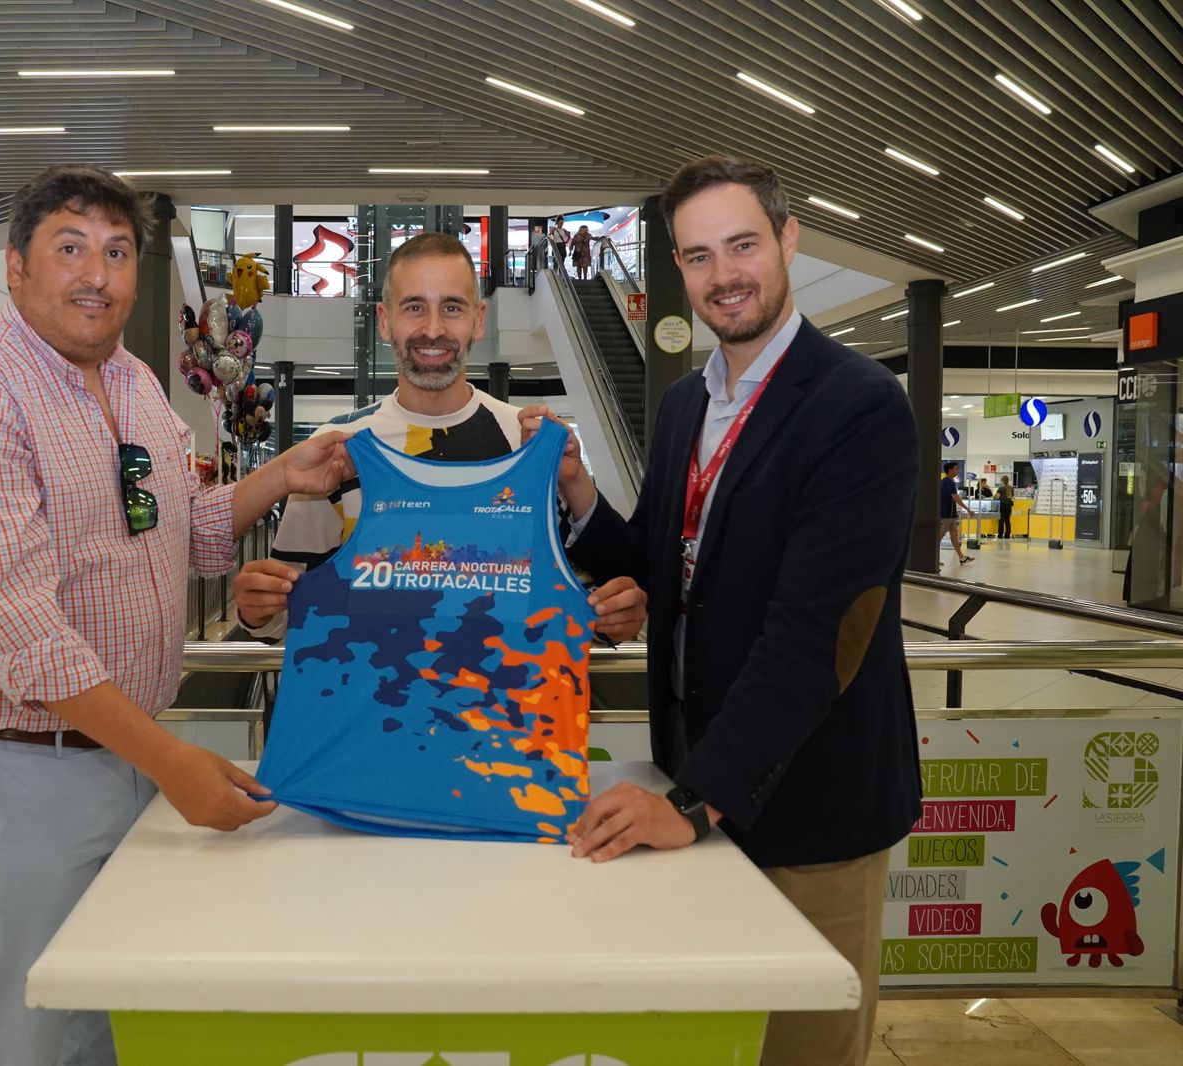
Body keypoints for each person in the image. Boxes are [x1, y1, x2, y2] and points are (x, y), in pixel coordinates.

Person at [0, 164, 352, 1066]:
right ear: (15, 267)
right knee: (24, 1034)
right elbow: (20, 636)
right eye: (70, 248)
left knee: (98, 1026)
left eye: (117, 251)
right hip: (12, 768)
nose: (96, 273)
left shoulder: (132, 382)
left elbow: (192, 535)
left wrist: (281, 476)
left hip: (116, 755)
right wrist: (175, 764)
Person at [526, 155, 922, 1066]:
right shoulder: (682, 407)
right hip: (693, 789)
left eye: (742, 245)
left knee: (797, 1049)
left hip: (807, 817)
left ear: (789, 240)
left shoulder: (857, 407)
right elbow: (667, 571)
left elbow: (816, 635)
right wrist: (582, 499)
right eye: (698, 256)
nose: (723, 275)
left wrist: (698, 802)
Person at [233, 230, 646, 651]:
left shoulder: (529, 443)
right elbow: (287, 612)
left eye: (452, 307)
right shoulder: (337, 447)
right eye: (414, 307)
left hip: (504, 707)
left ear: (478, 320)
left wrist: (618, 613)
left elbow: (584, 599)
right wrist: (256, 610)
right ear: (385, 321)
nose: (433, 329)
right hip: (379, 705)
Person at [939, 461, 976, 563]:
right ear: (950, 470)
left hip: (950, 515)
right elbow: (956, 497)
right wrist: (968, 509)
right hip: (947, 515)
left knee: (954, 537)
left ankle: (961, 557)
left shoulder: (944, 481)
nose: (957, 471)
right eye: (956, 469)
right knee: (938, 537)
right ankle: (931, 560)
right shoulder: (948, 482)